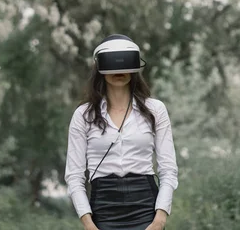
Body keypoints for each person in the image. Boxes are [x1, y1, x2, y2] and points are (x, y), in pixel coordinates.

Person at [64, 34, 178, 230]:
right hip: (103, 208)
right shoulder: (83, 115)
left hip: (145, 206)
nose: (119, 69)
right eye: (112, 62)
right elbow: (74, 176)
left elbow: (168, 170)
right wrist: (88, 223)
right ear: (99, 67)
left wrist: (159, 219)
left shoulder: (155, 110)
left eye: (125, 62)